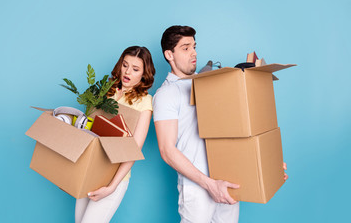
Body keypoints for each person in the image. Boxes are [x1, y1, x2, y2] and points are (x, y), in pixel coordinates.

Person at [152, 25, 288, 223]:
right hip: (197, 187)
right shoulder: (166, 94)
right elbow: (166, 150)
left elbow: (238, 128)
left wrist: (266, 166)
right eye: (185, 48)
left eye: (194, 47)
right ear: (169, 55)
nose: (194, 53)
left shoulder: (210, 83)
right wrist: (209, 184)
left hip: (227, 181)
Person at [75, 46, 156, 223]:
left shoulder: (144, 102)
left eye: (135, 69)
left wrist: (112, 187)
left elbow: (134, 148)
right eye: (125, 65)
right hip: (89, 168)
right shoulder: (105, 91)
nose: (127, 72)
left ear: (144, 74)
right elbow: (87, 129)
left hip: (113, 177)